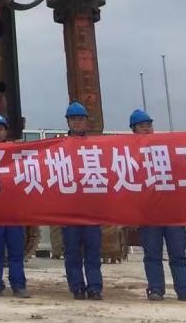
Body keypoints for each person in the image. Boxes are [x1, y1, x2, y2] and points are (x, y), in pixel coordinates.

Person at [128, 109, 186, 302]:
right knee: (152, 255)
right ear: (134, 129)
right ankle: (155, 289)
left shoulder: (165, 147)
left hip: (171, 212)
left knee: (178, 254)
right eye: (142, 126)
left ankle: (185, 290)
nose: (147, 128)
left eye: (149, 125)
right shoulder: (128, 153)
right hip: (148, 214)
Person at [0, 113, 28, 298]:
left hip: (13, 212)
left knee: (16, 253)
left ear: (6, 131)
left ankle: (19, 285)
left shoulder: (15, 152)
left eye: (0, 129)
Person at [60, 101, 102, 300]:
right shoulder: (59, 147)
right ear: (68, 122)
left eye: (80, 119)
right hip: (69, 210)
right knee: (72, 253)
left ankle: (94, 287)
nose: (77, 123)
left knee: (93, 252)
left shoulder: (97, 147)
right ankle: (76, 286)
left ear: (86, 121)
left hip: (91, 210)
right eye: (73, 119)